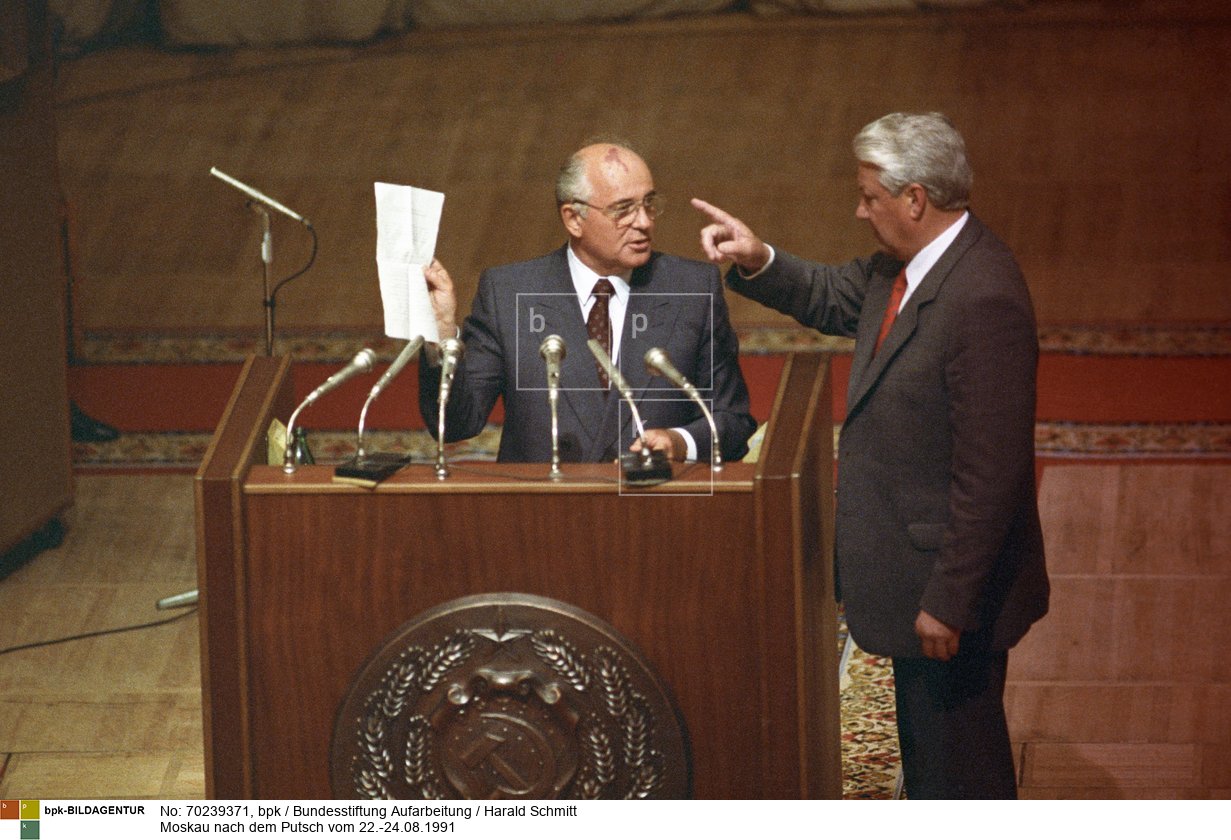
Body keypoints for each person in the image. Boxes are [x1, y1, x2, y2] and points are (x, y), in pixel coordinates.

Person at [693, 112, 1048, 799]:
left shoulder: (983, 297)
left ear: (914, 198)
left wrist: (948, 601)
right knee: (933, 765)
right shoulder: (906, 268)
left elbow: (991, 475)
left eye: (869, 197)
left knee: (961, 777)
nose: (859, 211)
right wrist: (755, 256)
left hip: (949, 596)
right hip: (914, 576)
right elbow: (831, 297)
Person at [419, 139, 756, 465]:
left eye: (649, 204)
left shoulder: (691, 290)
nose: (644, 222)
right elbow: (456, 424)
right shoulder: (509, 293)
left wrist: (678, 442)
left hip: (653, 506)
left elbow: (733, 423)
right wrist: (440, 332)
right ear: (573, 218)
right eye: (623, 210)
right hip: (544, 510)